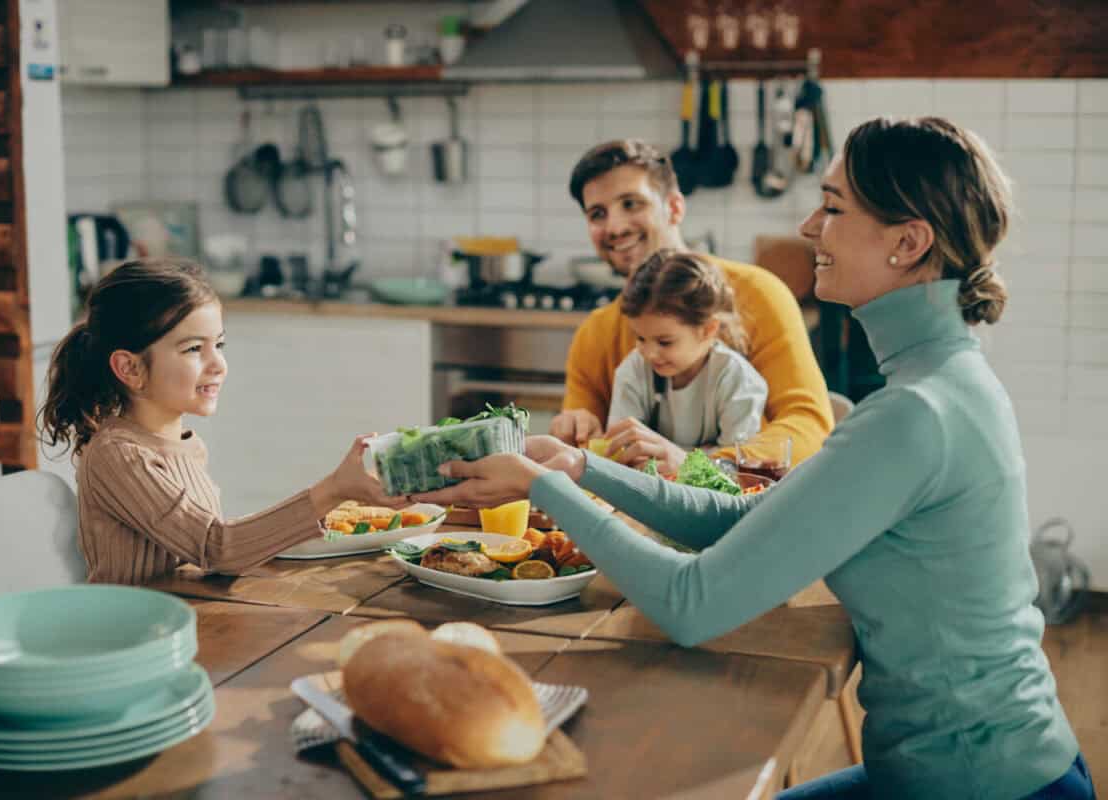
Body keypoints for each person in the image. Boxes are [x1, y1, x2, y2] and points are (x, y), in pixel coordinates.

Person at [417, 118, 1093, 799]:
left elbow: (692, 604)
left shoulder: (913, 415)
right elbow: (743, 518)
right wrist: (580, 469)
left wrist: (540, 485)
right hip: (958, 775)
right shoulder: (945, 383)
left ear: (908, 242)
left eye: (832, 207)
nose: (807, 226)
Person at [39, 258, 403, 585]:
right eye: (194, 349)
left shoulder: (188, 445)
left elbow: (208, 549)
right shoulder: (119, 456)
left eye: (220, 345)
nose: (218, 365)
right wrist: (334, 489)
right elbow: (218, 549)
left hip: (190, 619)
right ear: (130, 368)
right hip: (132, 644)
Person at [549, 138, 832, 473]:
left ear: (674, 207)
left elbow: (808, 424)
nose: (615, 227)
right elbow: (589, 456)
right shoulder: (594, 334)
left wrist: (701, 468)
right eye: (598, 214)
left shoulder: (759, 294)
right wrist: (576, 429)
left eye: (631, 203)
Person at [607, 248, 766, 470]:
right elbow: (620, 453)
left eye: (665, 342)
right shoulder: (633, 369)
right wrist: (707, 453)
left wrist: (681, 461)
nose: (649, 353)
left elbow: (734, 469)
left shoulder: (737, 379)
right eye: (640, 338)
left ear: (708, 330)